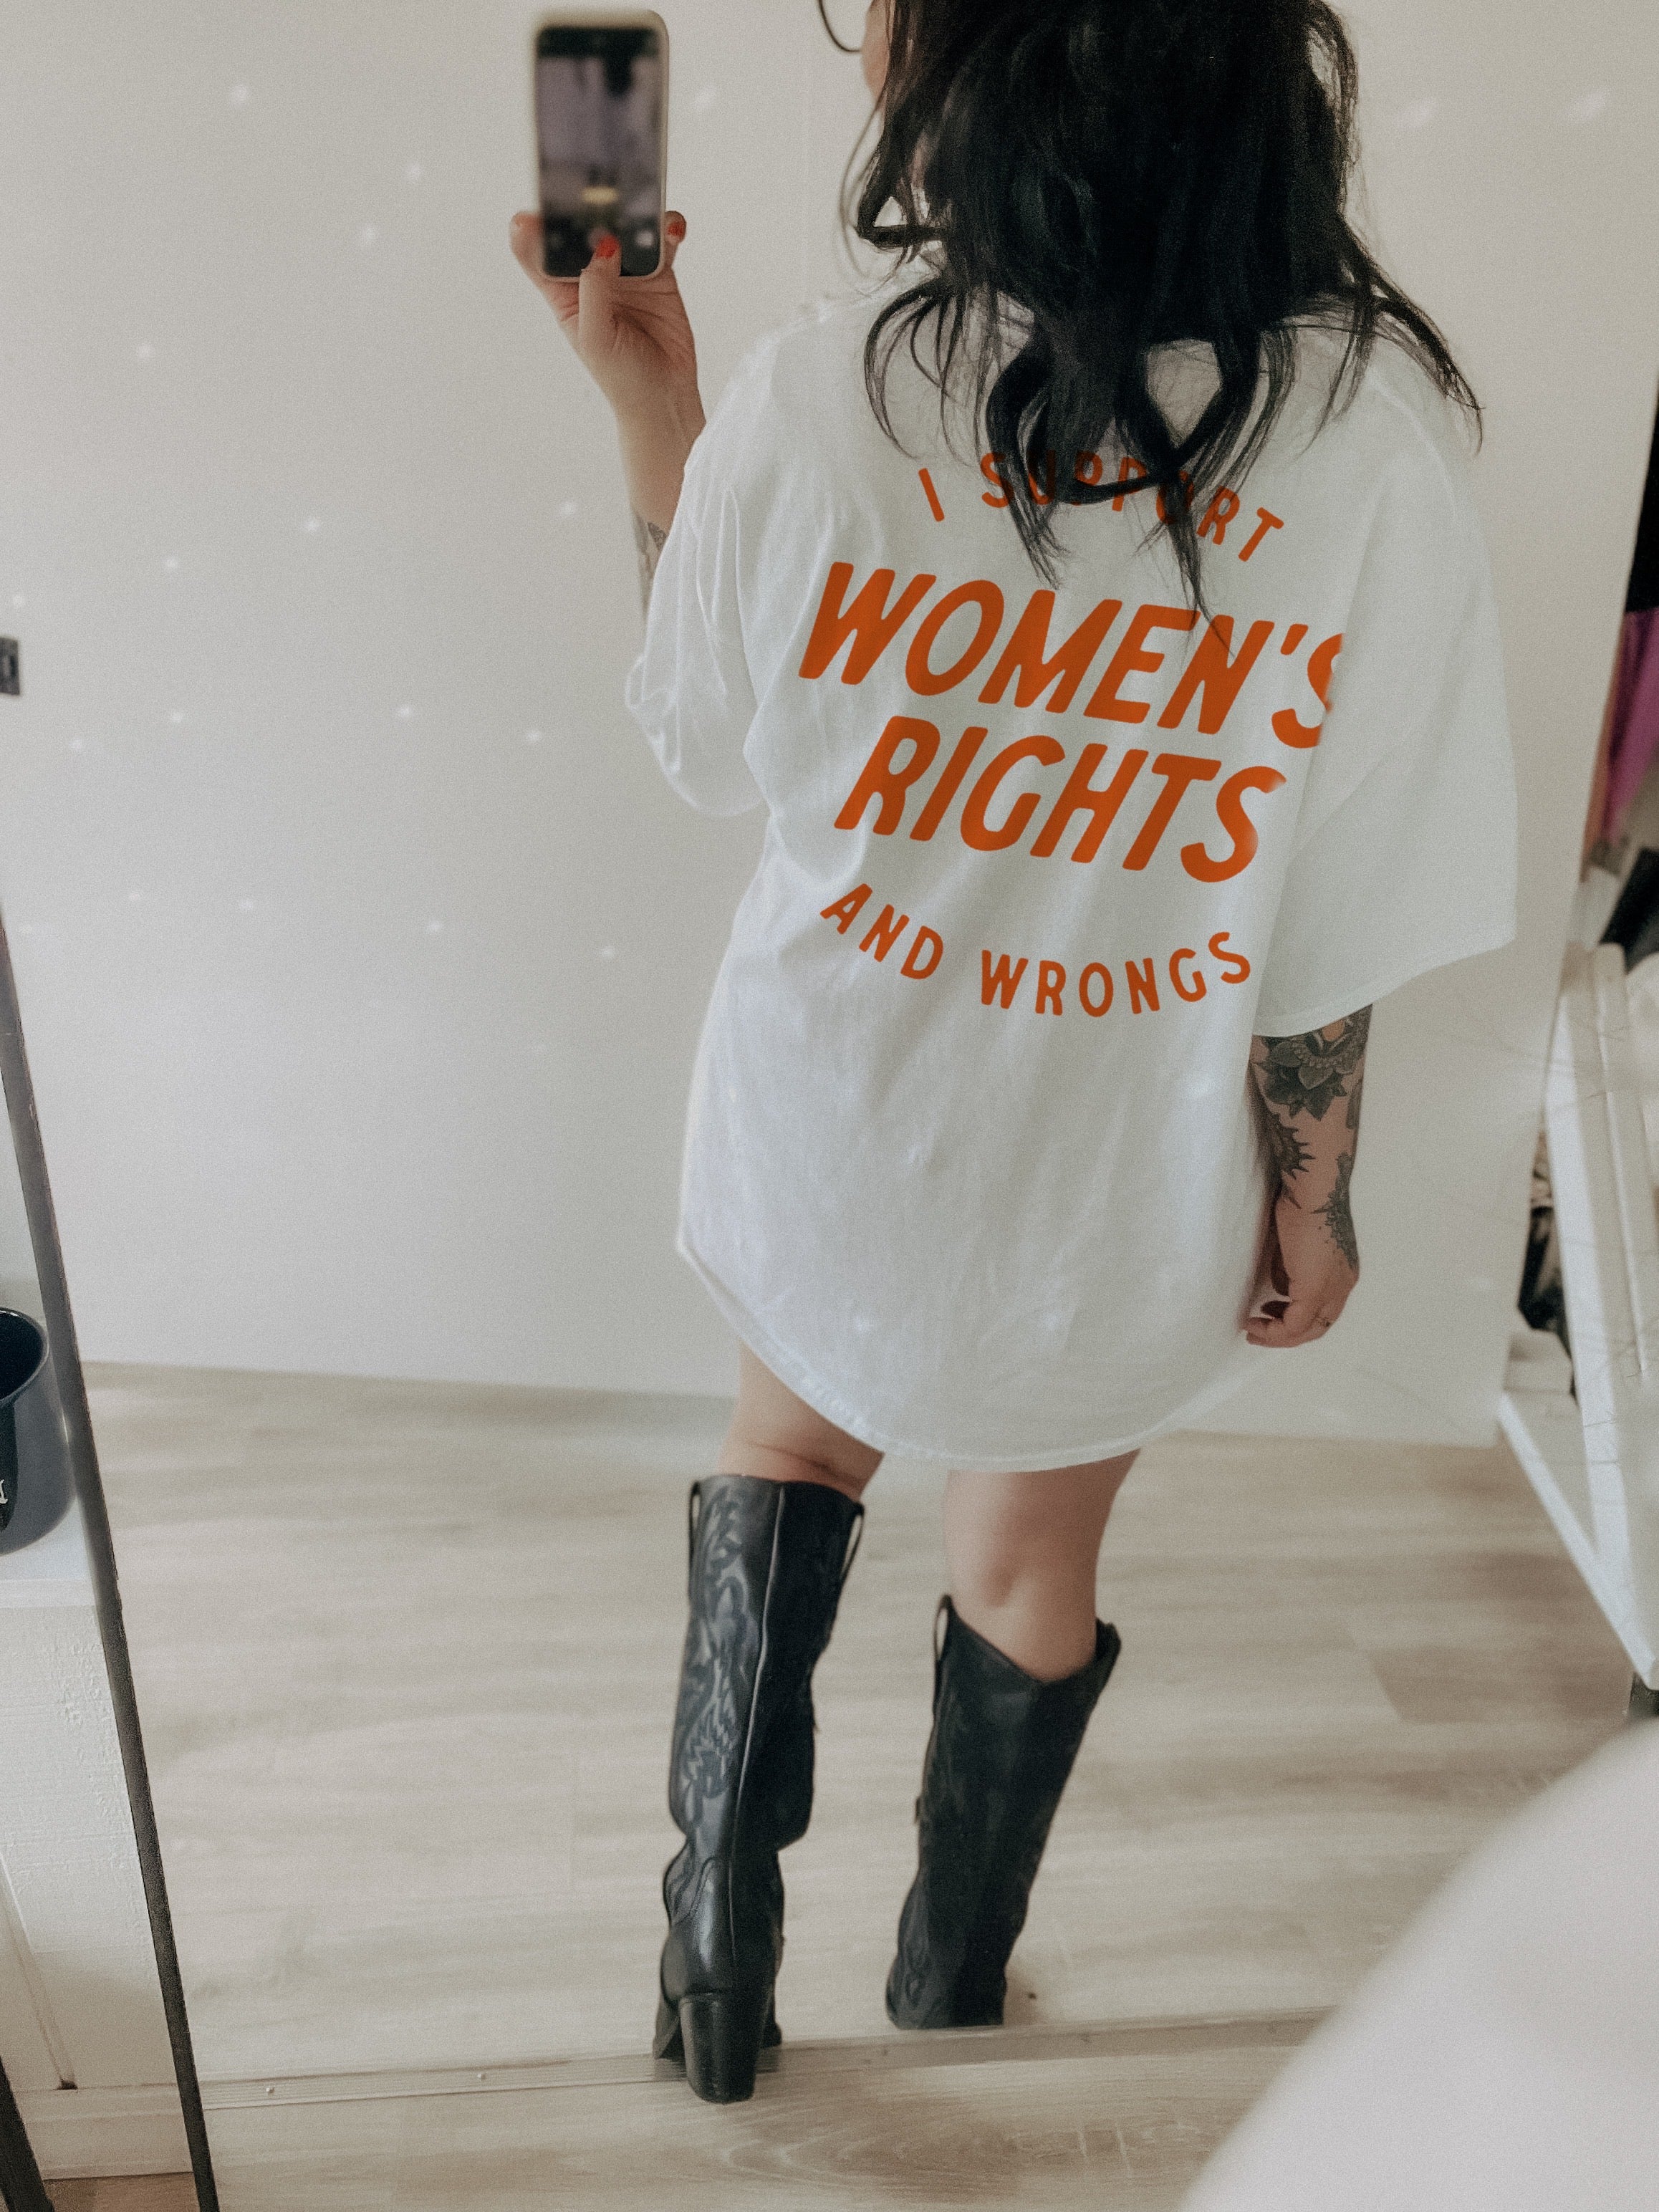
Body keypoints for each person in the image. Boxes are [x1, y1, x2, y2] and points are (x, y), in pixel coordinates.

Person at [511, 0, 1517, 2107]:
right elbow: (1337, 911)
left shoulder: (825, 389)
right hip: (1118, 1161)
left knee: (785, 1464)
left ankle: (714, 1959)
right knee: (1031, 1555)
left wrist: (649, 401)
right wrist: (1316, 1197)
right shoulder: (1371, 446)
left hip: (837, 1110)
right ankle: (949, 1980)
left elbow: (702, 734)